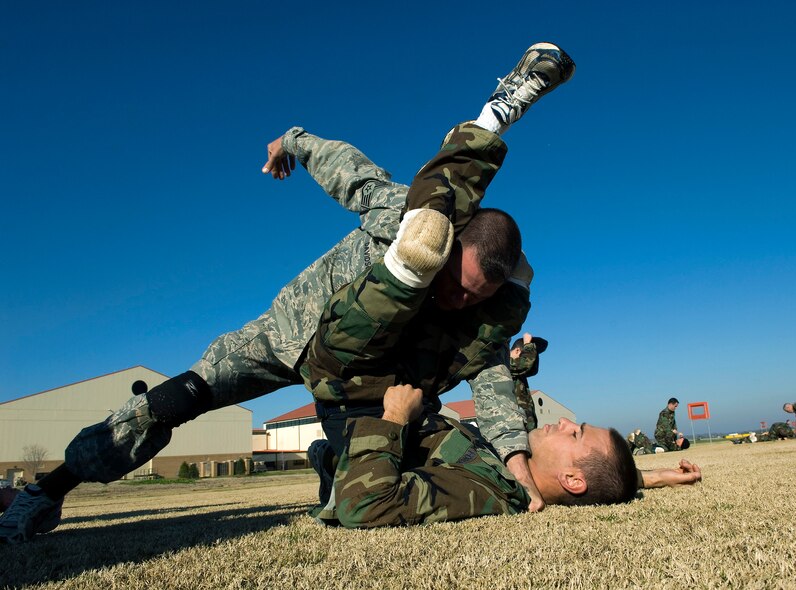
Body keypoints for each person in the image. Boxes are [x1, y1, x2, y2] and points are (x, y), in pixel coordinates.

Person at [0, 42, 572, 544]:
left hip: (360, 374)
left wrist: (513, 454)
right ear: (446, 246)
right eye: (454, 286)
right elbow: (348, 168)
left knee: (398, 441)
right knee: (172, 401)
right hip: (285, 336)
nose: (458, 302)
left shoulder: (483, 307)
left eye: (473, 299)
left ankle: (332, 459)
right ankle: (49, 488)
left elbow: (492, 370)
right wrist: (293, 141)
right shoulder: (406, 216)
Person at [319, 384, 702, 528]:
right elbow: (606, 478)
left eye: (576, 434)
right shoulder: (518, 464)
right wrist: (656, 476)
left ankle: (327, 464)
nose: (566, 422)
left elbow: (366, 505)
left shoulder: (485, 489)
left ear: (571, 480)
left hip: (365, 425)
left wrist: (395, 416)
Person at [509, 332, 548, 430]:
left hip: (525, 425)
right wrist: (527, 344)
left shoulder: (517, 371)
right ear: (517, 351)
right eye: (526, 352)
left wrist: (532, 348)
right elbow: (525, 364)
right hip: (514, 427)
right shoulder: (505, 364)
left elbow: (532, 370)